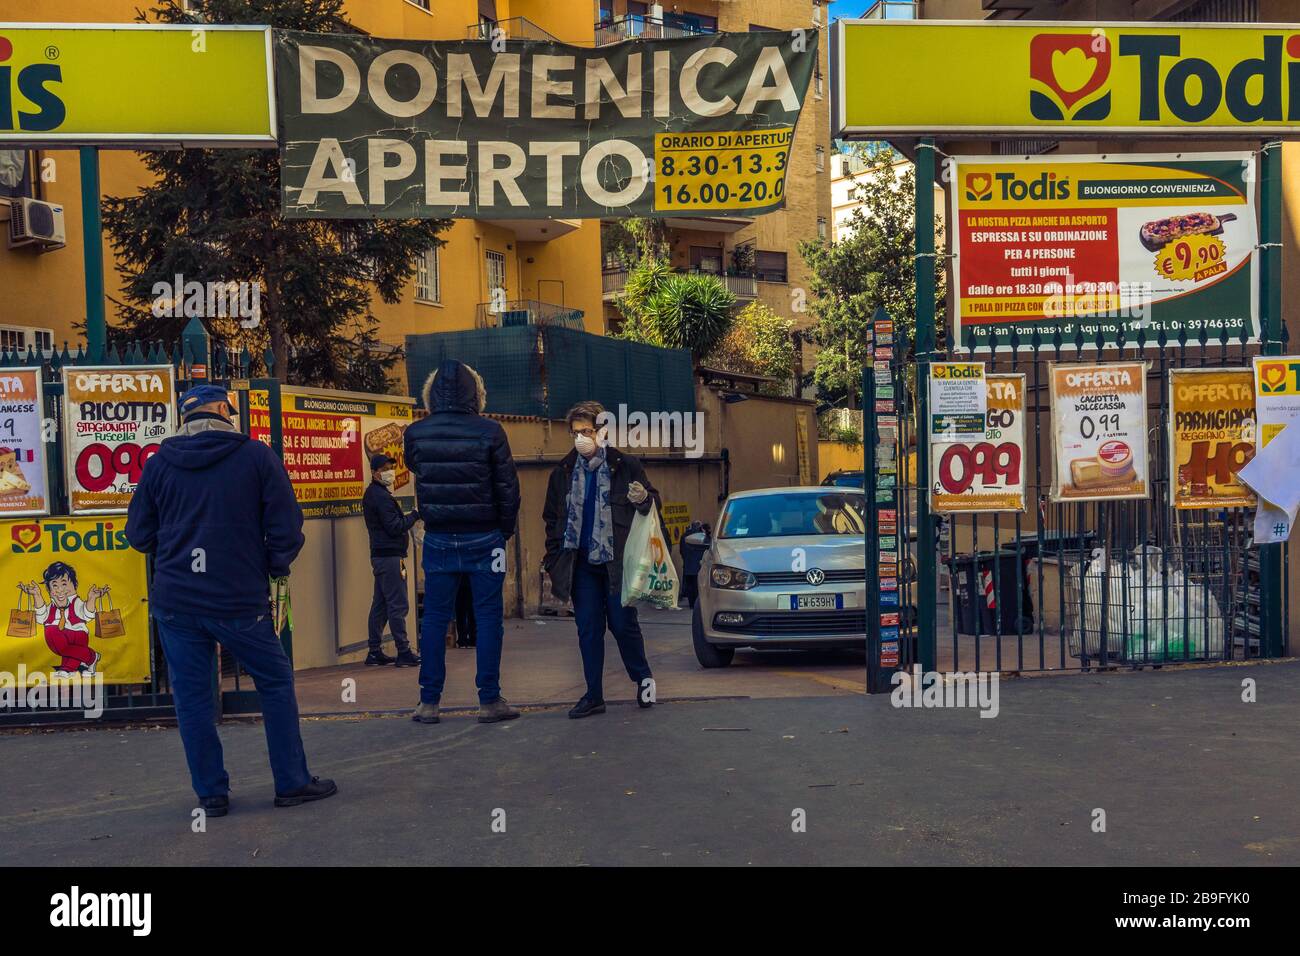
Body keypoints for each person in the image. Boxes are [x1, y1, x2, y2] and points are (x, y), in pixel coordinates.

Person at [126, 384, 335, 816]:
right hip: (238, 599)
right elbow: (287, 525)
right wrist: (275, 565)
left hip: (176, 600)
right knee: (274, 683)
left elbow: (139, 534)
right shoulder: (256, 457)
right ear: (223, 410)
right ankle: (291, 782)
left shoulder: (160, 464)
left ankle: (211, 794)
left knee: (192, 696)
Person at [404, 360, 520, 725]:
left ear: (431, 393)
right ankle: (489, 700)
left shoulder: (415, 433)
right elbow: (508, 489)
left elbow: (416, 470)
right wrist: (503, 531)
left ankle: (429, 702)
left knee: (435, 619)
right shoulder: (491, 431)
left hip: (438, 537)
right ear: (476, 393)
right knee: (488, 618)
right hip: (485, 535)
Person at [543, 401, 657, 719]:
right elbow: (551, 519)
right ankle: (593, 695)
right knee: (588, 629)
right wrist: (554, 559)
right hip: (580, 563)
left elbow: (651, 505)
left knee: (622, 625)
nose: (581, 438)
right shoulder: (562, 473)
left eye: (587, 431)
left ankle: (643, 679)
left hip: (616, 562)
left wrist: (645, 499)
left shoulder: (626, 466)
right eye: (576, 432)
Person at [362, 453, 421, 667]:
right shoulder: (379, 496)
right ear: (375, 472)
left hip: (382, 556)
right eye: (386, 468)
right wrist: (415, 515)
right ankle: (403, 651)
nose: (390, 472)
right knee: (397, 604)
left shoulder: (377, 494)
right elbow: (395, 526)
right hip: (390, 557)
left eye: (390, 467)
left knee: (381, 605)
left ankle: (374, 651)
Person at [679, 521, 711, 609]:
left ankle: (691, 604)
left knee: (690, 586)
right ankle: (697, 604)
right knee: (698, 586)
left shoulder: (684, 536)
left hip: (688, 565)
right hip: (699, 565)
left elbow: (681, 551)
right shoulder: (703, 537)